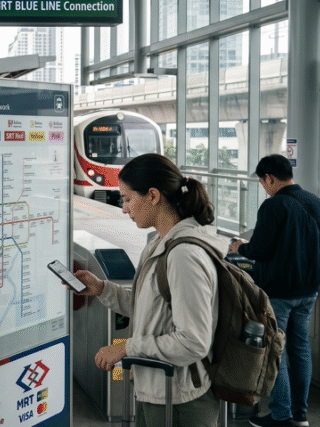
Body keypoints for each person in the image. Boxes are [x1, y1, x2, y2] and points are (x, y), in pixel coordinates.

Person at [71, 153, 222, 426]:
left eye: (128, 198)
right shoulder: (158, 242)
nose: (124, 208)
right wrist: (102, 288)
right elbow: (152, 308)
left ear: (153, 195)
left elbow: (193, 341)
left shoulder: (184, 255)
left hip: (179, 399)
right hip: (155, 388)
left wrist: (125, 348)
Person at [231, 154, 320, 427]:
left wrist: (241, 248)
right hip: (309, 290)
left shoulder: (273, 206)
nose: (264, 187)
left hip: (278, 292)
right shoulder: (316, 202)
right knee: (300, 348)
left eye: (263, 182)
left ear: (270, 178)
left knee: (277, 351)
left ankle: (281, 415)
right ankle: (300, 415)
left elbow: (260, 250)